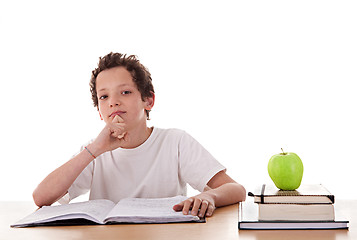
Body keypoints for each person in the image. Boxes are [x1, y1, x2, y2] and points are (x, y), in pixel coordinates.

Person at [32, 52, 246, 218]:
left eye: (125, 92)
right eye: (104, 96)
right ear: (100, 112)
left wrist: (209, 195)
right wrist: (94, 150)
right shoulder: (95, 150)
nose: (113, 102)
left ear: (148, 100)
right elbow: (41, 197)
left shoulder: (175, 142)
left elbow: (236, 189)